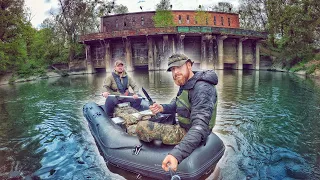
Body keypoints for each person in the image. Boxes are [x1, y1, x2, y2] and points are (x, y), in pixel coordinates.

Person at [135, 53, 218, 172]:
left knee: (142, 127)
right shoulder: (186, 83)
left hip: (191, 132)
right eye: (173, 69)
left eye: (179, 67)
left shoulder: (202, 89)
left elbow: (200, 126)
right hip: (185, 126)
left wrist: (176, 155)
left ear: (189, 65)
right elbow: (177, 104)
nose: (175, 72)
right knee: (152, 118)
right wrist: (162, 108)